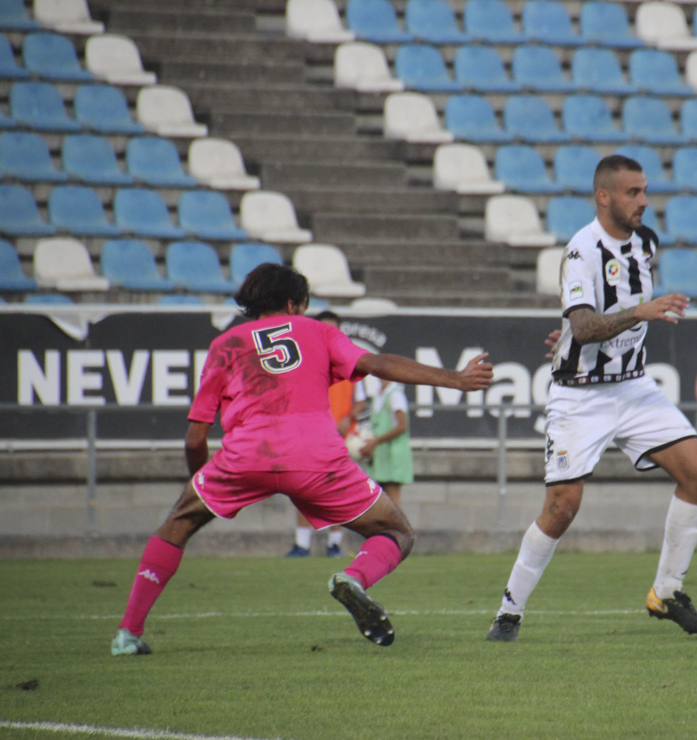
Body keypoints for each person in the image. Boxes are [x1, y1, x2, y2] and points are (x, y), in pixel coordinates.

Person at [111, 263, 493, 654]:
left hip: (246, 456)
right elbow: (376, 364)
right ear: (293, 303)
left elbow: (195, 437)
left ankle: (128, 633)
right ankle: (354, 578)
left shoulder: (224, 345)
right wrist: (455, 379)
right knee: (396, 532)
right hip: (317, 457)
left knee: (177, 524)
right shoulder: (320, 331)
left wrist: (200, 484)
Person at [487, 155, 697, 642]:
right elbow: (585, 325)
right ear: (604, 196)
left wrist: (604, 328)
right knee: (562, 508)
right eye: (633, 193)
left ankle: (667, 592)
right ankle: (509, 611)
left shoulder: (646, 243)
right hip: (580, 397)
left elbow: (595, 324)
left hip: (633, 387)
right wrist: (640, 312)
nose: (644, 201)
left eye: (645, 190)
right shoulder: (581, 251)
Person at [284, 310, 364, 558]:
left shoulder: (350, 364)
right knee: (302, 489)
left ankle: (335, 544)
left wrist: (347, 418)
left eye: (333, 329)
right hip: (309, 436)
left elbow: (360, 402)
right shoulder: (303, 362)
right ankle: (303, 543)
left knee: (337, 491)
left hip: (339, 438)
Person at [359, 378, 413, 508]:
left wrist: (376, 441)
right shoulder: (378, 394)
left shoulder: (395, 395)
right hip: (380, 455)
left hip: (393, 454)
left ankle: (395, 528)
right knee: (380, 499)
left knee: (393, 499)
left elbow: (402, 426)